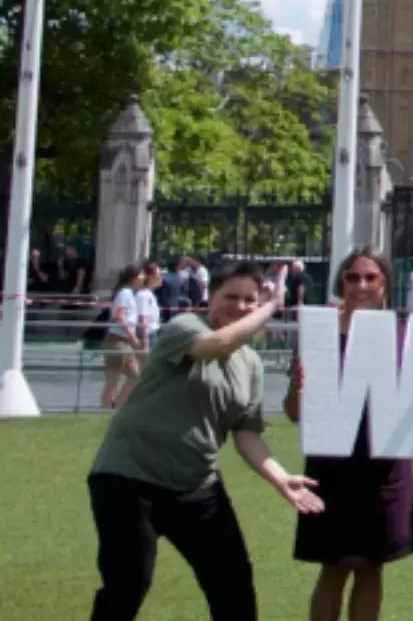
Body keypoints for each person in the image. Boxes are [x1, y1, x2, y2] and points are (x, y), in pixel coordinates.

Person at [87, 261, 326, 621]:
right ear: (210, 297)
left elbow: (246, 436)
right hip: (130, 478)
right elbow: (215, 345)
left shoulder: (251, 365)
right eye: (231, 296)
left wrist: (282, 479)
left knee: (234, 587)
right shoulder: (184, 327)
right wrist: (271, 305)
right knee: (128, 584)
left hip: (197, 486)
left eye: (250, 299)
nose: (241, 306)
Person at [285, 250, 413, 621]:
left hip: (385, 466)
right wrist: (298, 388)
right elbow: (295, 414)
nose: (361, 286)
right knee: (333, 566)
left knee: (371, 566)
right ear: (341, 282)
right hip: (332, 466)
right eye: (353, 277)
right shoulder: (319, 332)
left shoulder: (405, 333)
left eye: (371, 277)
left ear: (385, 284)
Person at [101, 264, 147, 410]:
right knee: (113, 379)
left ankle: (119, 406)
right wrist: (133, 336)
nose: (143, 277)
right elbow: (119, 317)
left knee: (135, 376)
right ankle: (106, 409)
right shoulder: (125, 293)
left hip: (124, 342)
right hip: (116, 340)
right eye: (141, 274)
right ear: (133, 277)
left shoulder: (130, 294)